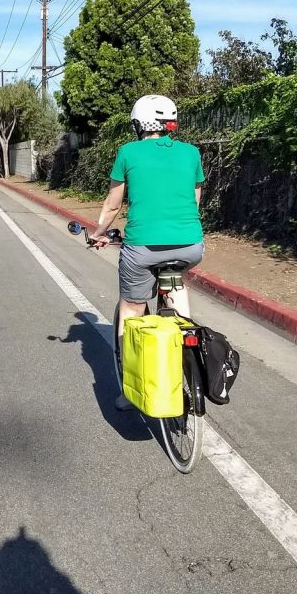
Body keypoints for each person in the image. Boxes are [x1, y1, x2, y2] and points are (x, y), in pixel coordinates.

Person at [90, 94, 205, 410]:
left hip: (143, 248)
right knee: (175, 292)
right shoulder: (191, 153)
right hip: (191, 245)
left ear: (138, 124)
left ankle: (131, 389)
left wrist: (98, 234)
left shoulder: (128, 152)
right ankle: (185, 350)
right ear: (171, 123)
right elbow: (193, 202)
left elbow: (113, 205)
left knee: (132, 310)